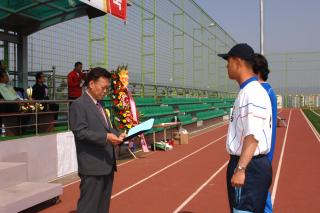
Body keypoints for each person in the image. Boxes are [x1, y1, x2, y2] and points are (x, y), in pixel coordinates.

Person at [218, 43, 273, 213]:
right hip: (249, 165)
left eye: (229, 61)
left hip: (249, 167)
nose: (227, 66)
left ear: (238, 62)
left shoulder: (252, 93)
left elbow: (253, 136)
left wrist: (240, 169)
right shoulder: (247, 91)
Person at [69, 67, 126, 213]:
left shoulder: (100, 104)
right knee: (88, 208)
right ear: (92, 84)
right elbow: (80, 132)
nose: (105, 91)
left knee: (102, 207)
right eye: (103, 87)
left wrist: (118, 134)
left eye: (107, 88)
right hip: (93, 167)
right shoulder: (78, 105)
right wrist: (106, 137)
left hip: (106, 164)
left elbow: (106, 128)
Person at [253, 53, 277, 213]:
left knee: (259, 196)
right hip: (261, 155)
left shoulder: (263, 92)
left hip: (259, 155)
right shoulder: (267, 91)